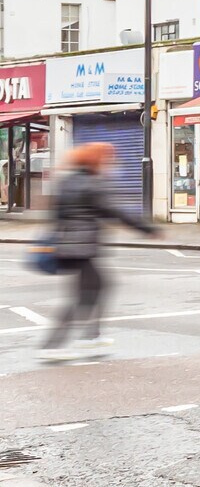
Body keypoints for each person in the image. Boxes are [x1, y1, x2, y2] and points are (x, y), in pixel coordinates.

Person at [38, 141, 155, 361]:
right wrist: (147, 229)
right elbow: (115, 211)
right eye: (107, 159)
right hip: (81, 248)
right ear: (96, 160)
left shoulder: (67, 181)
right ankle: (54, 345)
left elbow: (56, 214)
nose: (110, 164)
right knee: (84, 296)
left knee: (95, 288)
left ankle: (90, 336)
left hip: (67, 245)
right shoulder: (93, 183)